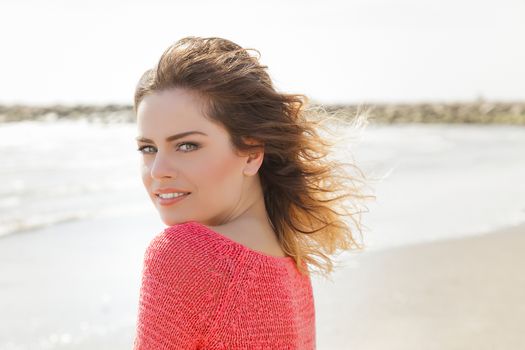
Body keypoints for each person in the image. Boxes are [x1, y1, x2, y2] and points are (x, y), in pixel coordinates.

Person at [132, 36, 374, 349]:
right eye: (148, 148)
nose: (158, 170)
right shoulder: (290, 261)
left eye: (187, 145)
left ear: (251, 153)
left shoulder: (184, 254)